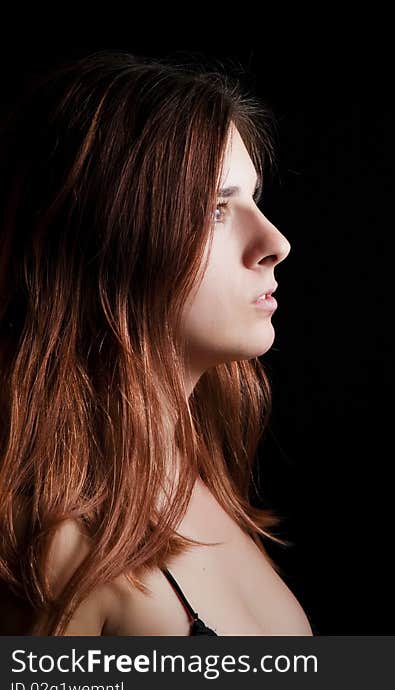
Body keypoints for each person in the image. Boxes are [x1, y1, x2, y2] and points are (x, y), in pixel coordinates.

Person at [0, 50, 312, 635]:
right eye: (216, 209)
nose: (275, 242)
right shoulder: (56, 554)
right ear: (108, 236)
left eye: (253, 199)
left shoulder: (204, 495)